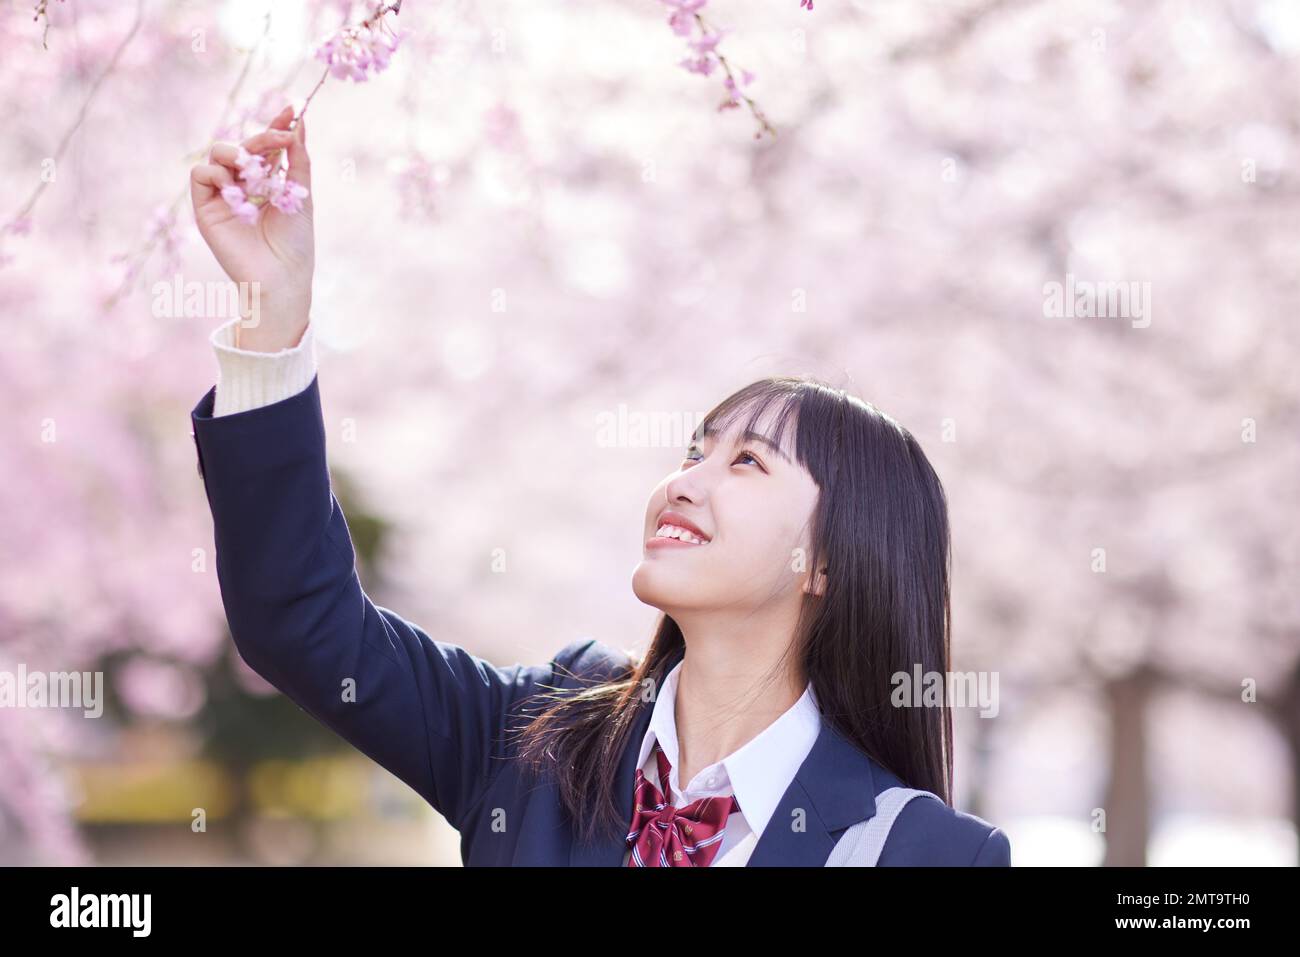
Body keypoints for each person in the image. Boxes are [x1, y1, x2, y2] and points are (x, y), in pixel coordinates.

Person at [187, 105, 1011, 867]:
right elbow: (301, 621)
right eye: (696, 450)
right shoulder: (542, 736)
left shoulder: (920, 850)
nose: (686, 482)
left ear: (825, 562)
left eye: (748, 462)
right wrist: (274, 314)